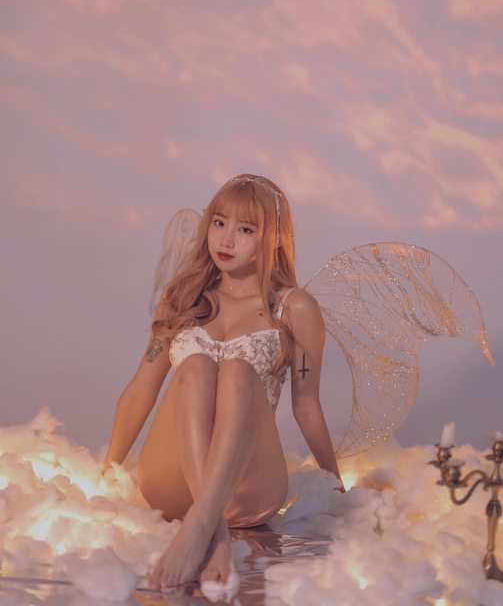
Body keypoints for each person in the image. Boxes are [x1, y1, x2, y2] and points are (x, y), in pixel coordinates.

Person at [103, 174, 344, 594]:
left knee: (237, 371)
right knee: (195, 366)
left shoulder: (295, 308)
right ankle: (212, 532)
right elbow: (141, 390)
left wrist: (335, 486)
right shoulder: (184, 296)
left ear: (273, 239)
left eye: (245, 229)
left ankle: (202, 525)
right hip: (173, 482)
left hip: (248, 489)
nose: (226, 239)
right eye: (219, 222)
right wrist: (109, 468)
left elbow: (306, 406)